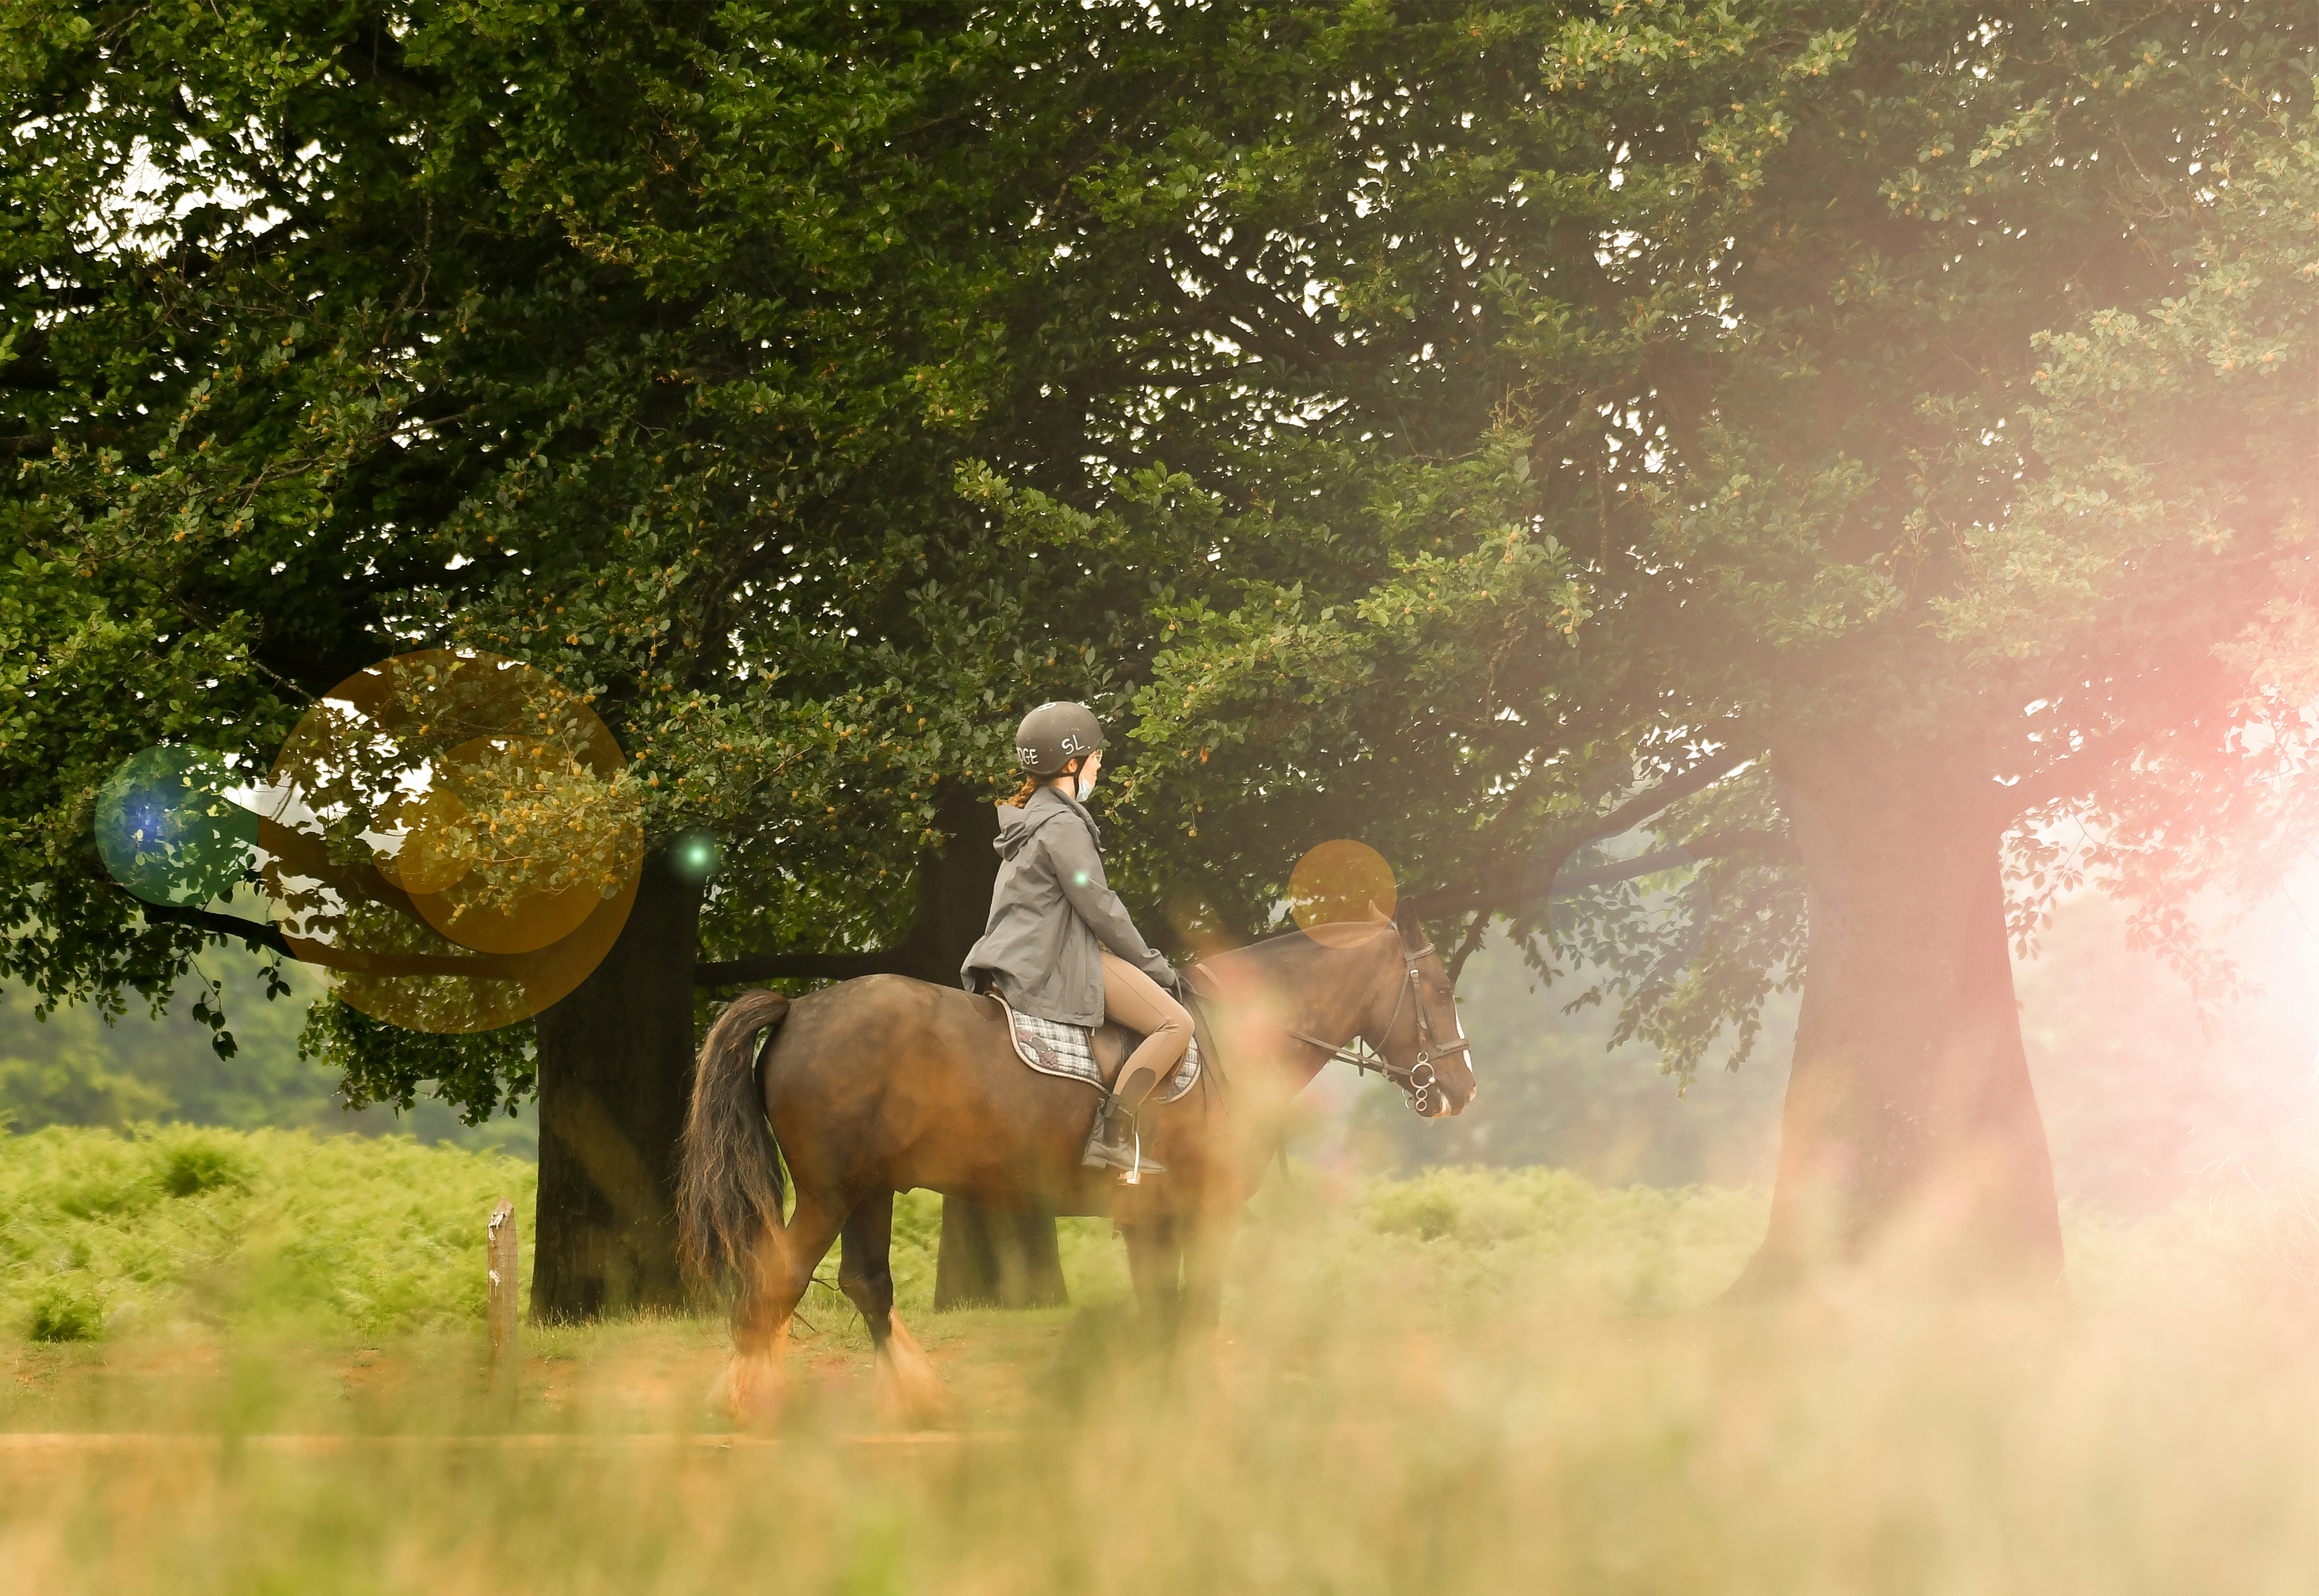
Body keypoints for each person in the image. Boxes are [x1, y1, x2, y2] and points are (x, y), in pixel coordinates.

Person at [961, 701, 1192, 1178]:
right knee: (1176, 1023)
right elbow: (1099, 907)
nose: (1099, 764)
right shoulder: (1063, 827)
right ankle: (1114, 1135)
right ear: (1070, 764)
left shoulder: (1029, 822)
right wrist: (1156, 967)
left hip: (1016, 958)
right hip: (1055, 961)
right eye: (1094, 756)